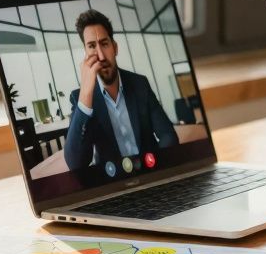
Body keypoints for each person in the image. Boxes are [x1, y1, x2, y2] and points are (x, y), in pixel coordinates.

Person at [63, 9, 179, 172]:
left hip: (150, 171)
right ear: (86, 54)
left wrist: (158, 169)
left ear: (114, 47)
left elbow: (168, 134)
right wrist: (85, 95)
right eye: (92, 46)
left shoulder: (140, 84)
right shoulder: (80, 98)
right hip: (112, 182)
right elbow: (75, 163)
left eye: (104, 44)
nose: (101, 56)